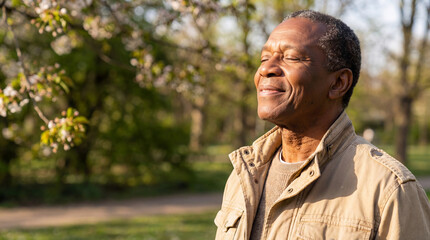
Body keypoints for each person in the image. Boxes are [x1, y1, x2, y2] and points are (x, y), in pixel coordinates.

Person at [214, 10, 430, 240]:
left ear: (338, 83)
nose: (266, 69)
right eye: (264, 58)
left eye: (292, 57)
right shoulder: (244, 175)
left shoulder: (388, 188)